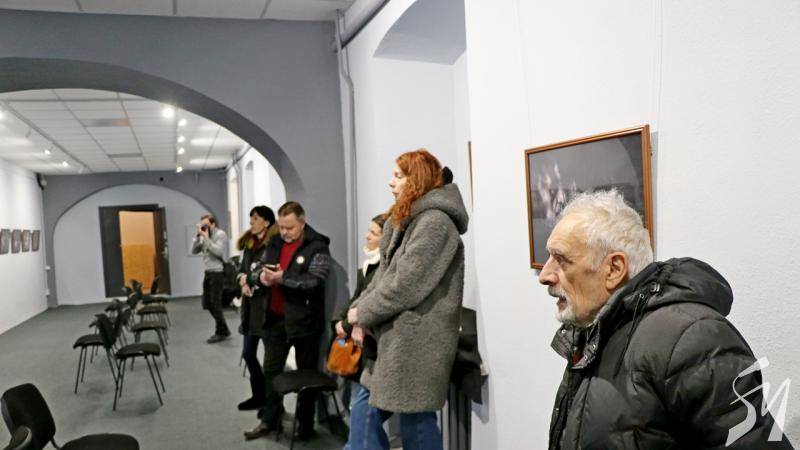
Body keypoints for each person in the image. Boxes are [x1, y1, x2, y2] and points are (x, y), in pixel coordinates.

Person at [538, 190, 795, 449]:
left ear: (614, 269)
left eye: (561, 260)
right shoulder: (594, 331)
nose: (545, 275)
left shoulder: (692, 340)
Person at [347, 150, 469, 450]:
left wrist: (362, 313)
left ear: (418, 180)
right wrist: (358, 311)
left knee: (416, 422)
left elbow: (405, 285)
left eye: (398, 176)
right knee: (368, 412)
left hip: (417, 341)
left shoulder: (435, 223)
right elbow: (384, 275)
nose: (391, 183)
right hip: (394, 338)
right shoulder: (406, 219)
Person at [244, 201, 331, 441]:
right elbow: (257, 269)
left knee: (306, 376)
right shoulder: (274, 243)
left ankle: (305, 425)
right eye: (281, 227)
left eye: (289, 227)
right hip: (275, 319)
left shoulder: (318, 246)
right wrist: (261, 277)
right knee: (271, 372)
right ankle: (269, 420)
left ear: (302, 223)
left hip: (305, 323)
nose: (284, 232)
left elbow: (315, 281)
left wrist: (283, 279)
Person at [332, 213, 386, 450]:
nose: (367, 236)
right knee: (362, 415)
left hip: (375, 350)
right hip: (363, 349)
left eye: (373, 233)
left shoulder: (384, 269)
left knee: (362, 414)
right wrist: (341, 320)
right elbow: (357, 299)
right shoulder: (367, 266)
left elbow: (370, 304)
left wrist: (347, 323)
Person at [235, 205, 279, 411]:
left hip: (267, 309)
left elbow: (268, 274)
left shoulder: (273, 245)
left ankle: (272, 404)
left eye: (256, 218)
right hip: (251, 309)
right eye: (251, 218)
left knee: (271, 363)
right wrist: (242, 281)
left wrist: (251, 279)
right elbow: (241, 270)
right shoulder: (249, 244)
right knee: (248, 354)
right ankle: (259, 395)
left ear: (267, 222)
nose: (251, 222)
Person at [191, 214, 230, 344]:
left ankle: (220, 332)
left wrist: (207, 238)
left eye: (206, 225)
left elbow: (219, 252)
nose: (204, 227)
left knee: (215, 303)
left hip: (217, 273)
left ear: (213, 224)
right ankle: (224, 328)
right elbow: (194, 251)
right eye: (202, 225)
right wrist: (198, 237)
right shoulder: (203, 235)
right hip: (208, 273)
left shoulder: (220, 234)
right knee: (207, 303)